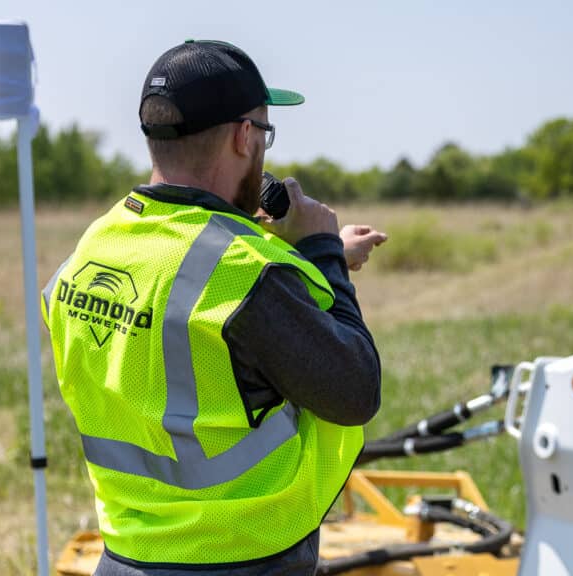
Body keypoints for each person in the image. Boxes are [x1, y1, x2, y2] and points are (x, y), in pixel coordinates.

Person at [41, 39, 386, 575]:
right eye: (266, 131)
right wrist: (320, 252)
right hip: (242, 554)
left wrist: (307, 264)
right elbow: (354, 391)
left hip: (127, 555)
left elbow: (172, 305)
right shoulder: (248, 277)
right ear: (245, 136)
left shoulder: (94, 248)